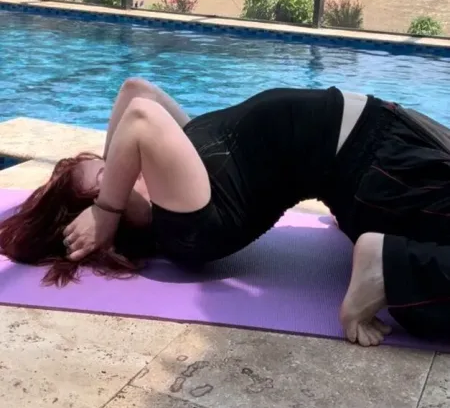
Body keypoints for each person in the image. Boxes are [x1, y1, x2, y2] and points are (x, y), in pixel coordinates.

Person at [1, 78, 450, 348]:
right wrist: (105, 210)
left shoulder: (180, 178)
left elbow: (136, 90)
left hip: (373, 164)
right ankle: (390, 266)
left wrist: (109, 195)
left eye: (114, 160)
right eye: (109, 174)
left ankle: (386, 249)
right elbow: (139, 116)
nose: (122, 163)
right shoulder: (186, 226)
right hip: (383, 162)